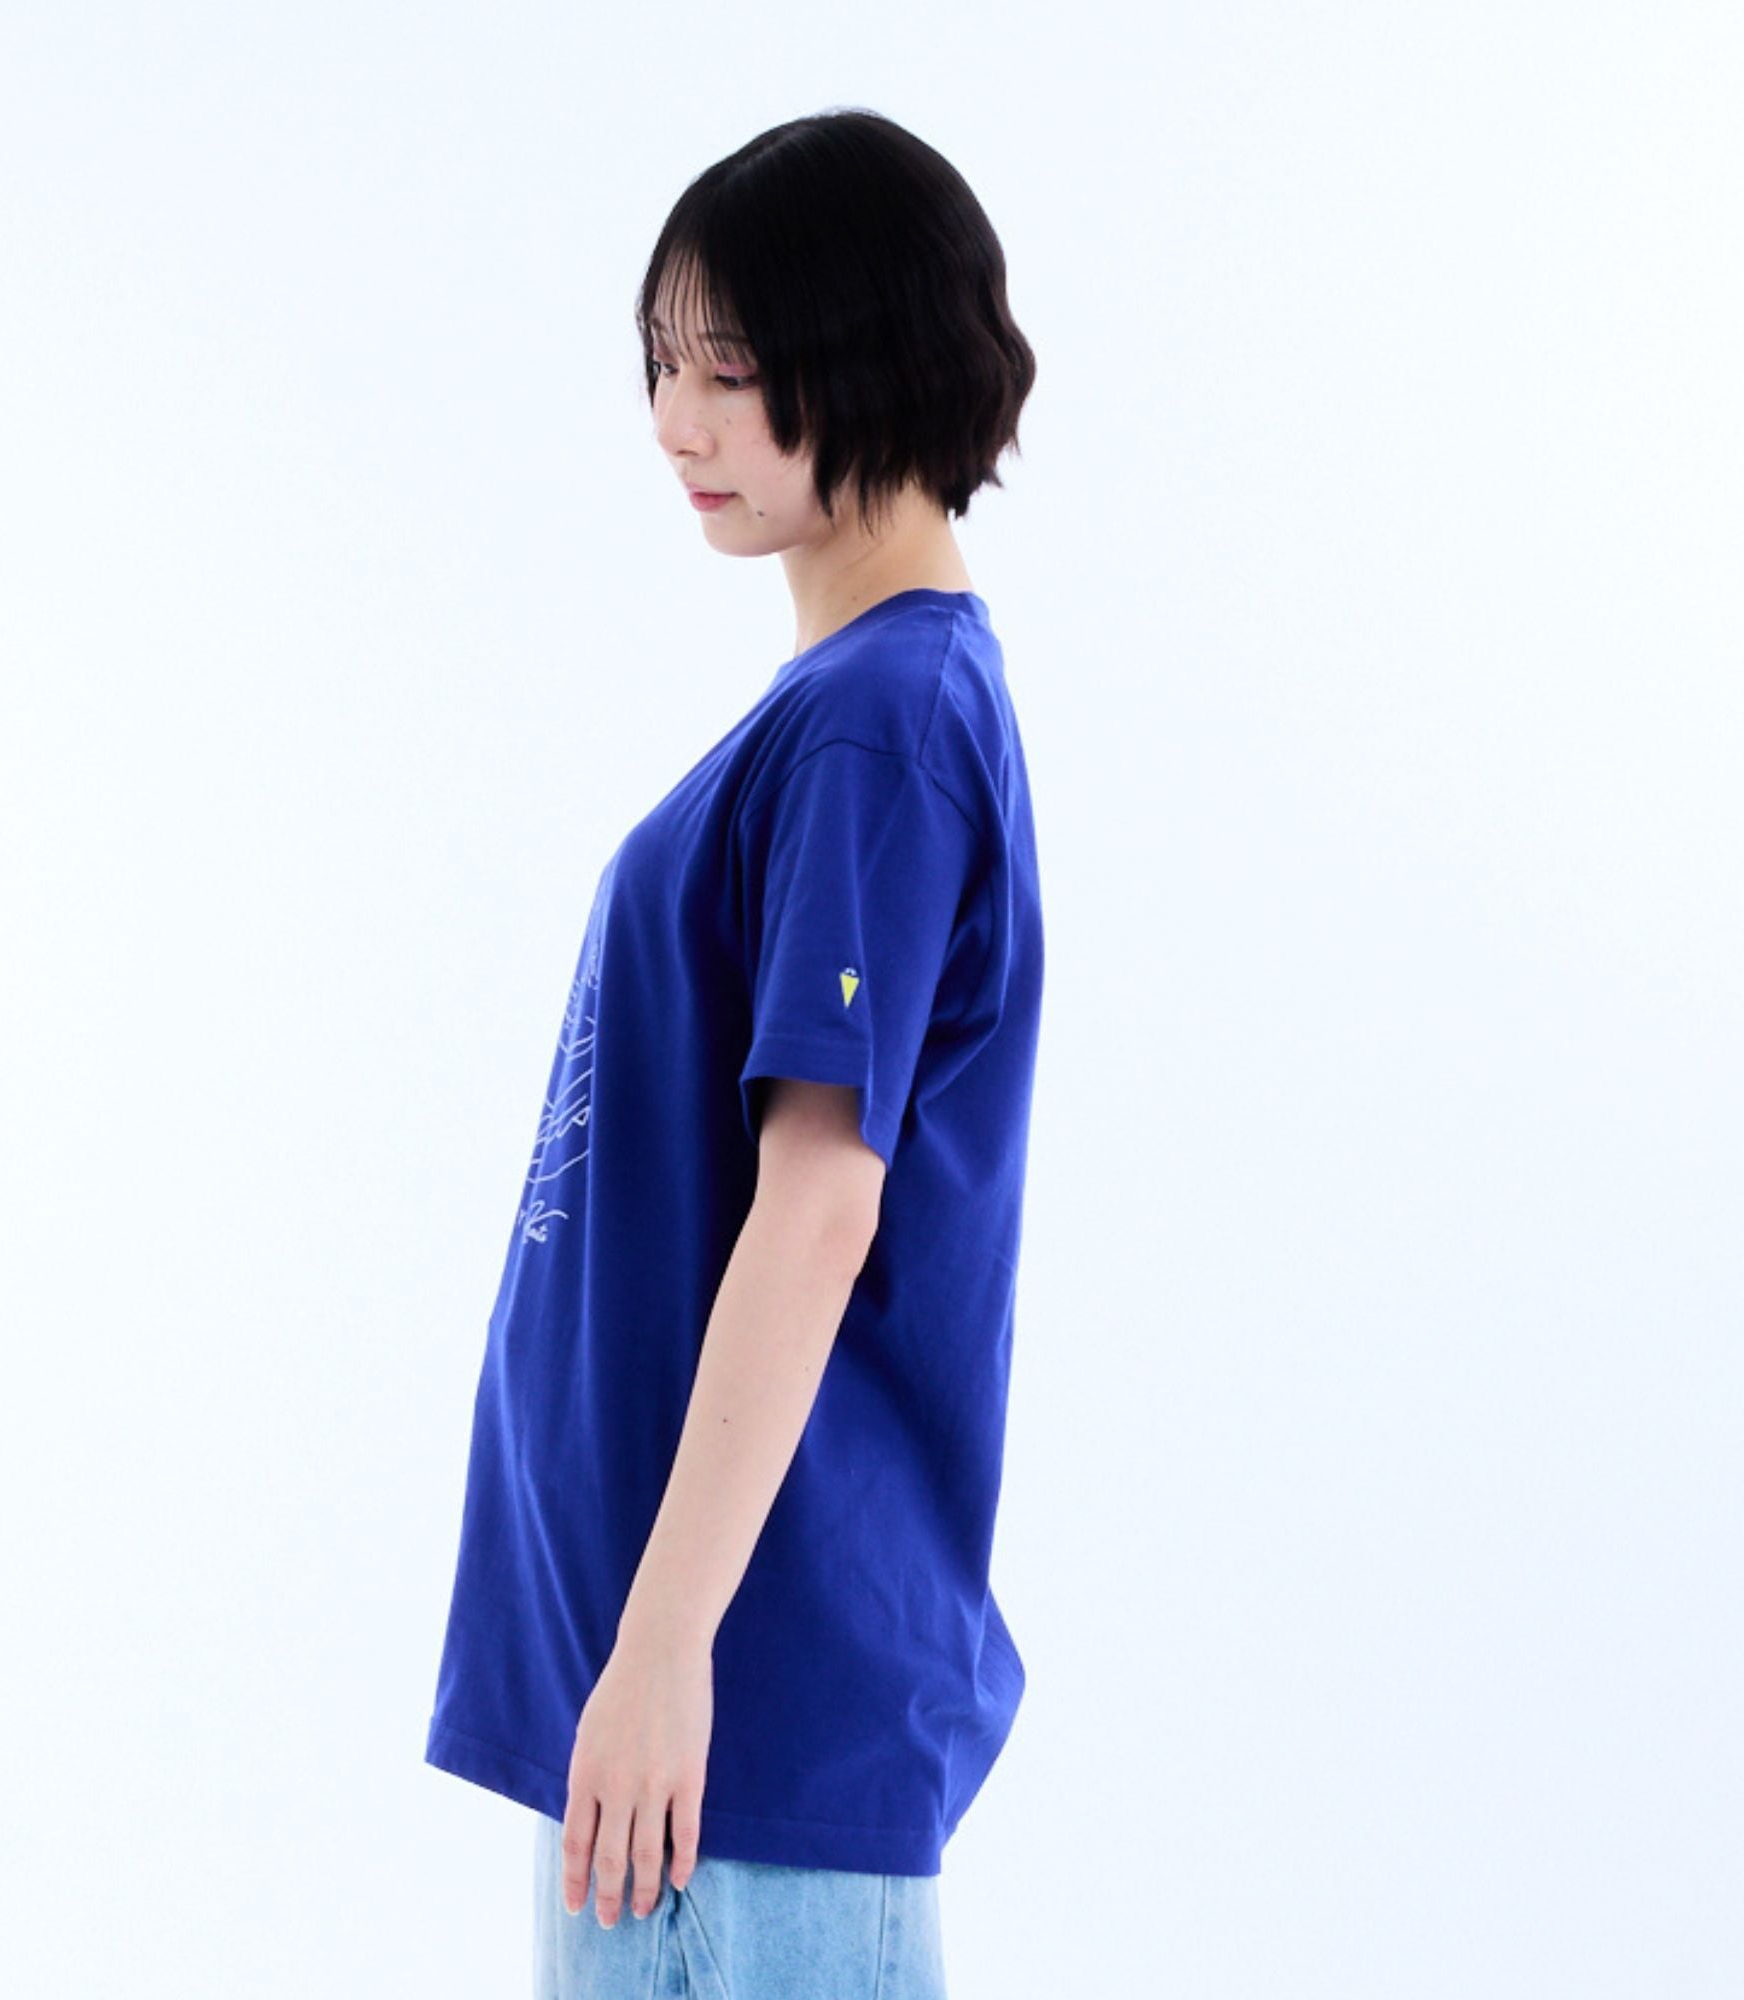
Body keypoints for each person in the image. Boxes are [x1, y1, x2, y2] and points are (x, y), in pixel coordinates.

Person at [423, 105, 1043, 1999]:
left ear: (877, 359)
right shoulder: (849, 709)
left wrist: (667, 1644)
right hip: (674, 1716)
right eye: (661, 367)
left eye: (732, 372)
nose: (674, 424)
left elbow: (819, 1207)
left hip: (735, 1721)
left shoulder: (876, 729)